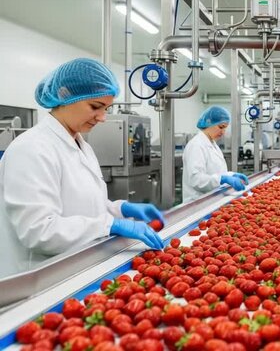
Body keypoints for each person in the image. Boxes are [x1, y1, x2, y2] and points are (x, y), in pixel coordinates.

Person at [0, 58, 164, 278]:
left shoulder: (80, 144)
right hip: (39, 280)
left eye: (106, 108)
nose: (103, 117)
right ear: (65, 95)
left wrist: (119, 209)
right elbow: (39, 231)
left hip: (77, 268)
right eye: (95, 107)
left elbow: (84, 205)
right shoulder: (31, 149)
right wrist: (111, 224)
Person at [182, 106, 249, 202]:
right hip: (198, 203)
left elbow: (217, 172)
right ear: (209, 123)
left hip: (212, 200)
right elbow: (196, 180)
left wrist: (231, 175)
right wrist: (222, 179)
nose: (223, 132)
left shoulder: (213, 144)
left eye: (225, 128)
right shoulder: (196, 145)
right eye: (221, 127)